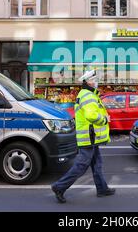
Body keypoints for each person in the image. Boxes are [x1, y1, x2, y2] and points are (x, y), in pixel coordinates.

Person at [51, 70, 115, 203]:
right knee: (81, 165)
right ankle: (59, 187)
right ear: (87, 82)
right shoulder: (88, 95)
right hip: (89, 136)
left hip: (91, 136)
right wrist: (104, 119)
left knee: (97, 163)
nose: (96, 81)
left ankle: (102, 189)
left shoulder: (87, 94)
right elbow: (91, 115)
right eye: (94, 79)